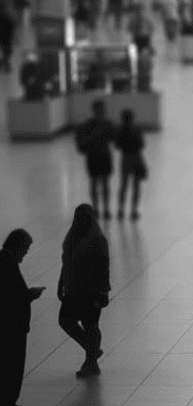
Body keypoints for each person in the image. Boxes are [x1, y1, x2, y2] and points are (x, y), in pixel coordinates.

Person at [58, 204, 110, 379]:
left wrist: (103, 292)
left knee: (90, 325)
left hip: (90, 291)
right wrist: (61, 284)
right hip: (73, 289)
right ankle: (92, 351)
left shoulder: (97, 240)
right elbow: (66, 261)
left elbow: (104, 267)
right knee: (66, 320)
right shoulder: (72, 238)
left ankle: (90, 360)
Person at [0, 229, 44, 406]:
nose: (26, 253)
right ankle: (7, 405)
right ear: (17, 246)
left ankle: (8, 403)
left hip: (10, 325)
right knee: (12, 366)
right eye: (25, 248)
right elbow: (9, 296)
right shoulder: (6, 263)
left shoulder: (5, 259)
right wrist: (29, 295)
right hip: (11, 326)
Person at [75, 99, 116, 219]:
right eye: (101, 109)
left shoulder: (104, 124)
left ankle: (105, 208)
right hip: (96, 157)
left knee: (103, 183)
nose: (103, 111)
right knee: (97, 183)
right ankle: (97, 208)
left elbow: (114, 138)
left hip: (102, 156)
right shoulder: (94, 125)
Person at [113, 109, 146, 220]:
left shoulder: (120, 130)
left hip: (125, 158)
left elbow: (117, 145)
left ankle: (121, 210)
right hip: (136, 157)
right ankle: (133, 210)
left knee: (124, 185)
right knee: (135, 186)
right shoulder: (136, 130)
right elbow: (141, 144)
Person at [0, 3, 14, 71]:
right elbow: (11, 26)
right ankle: (5, 65)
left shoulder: (5, 17)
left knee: (7, 52)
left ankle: (4, 64)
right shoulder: (7, 17)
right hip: (6, 38)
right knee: (7, 52)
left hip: (4, 38)